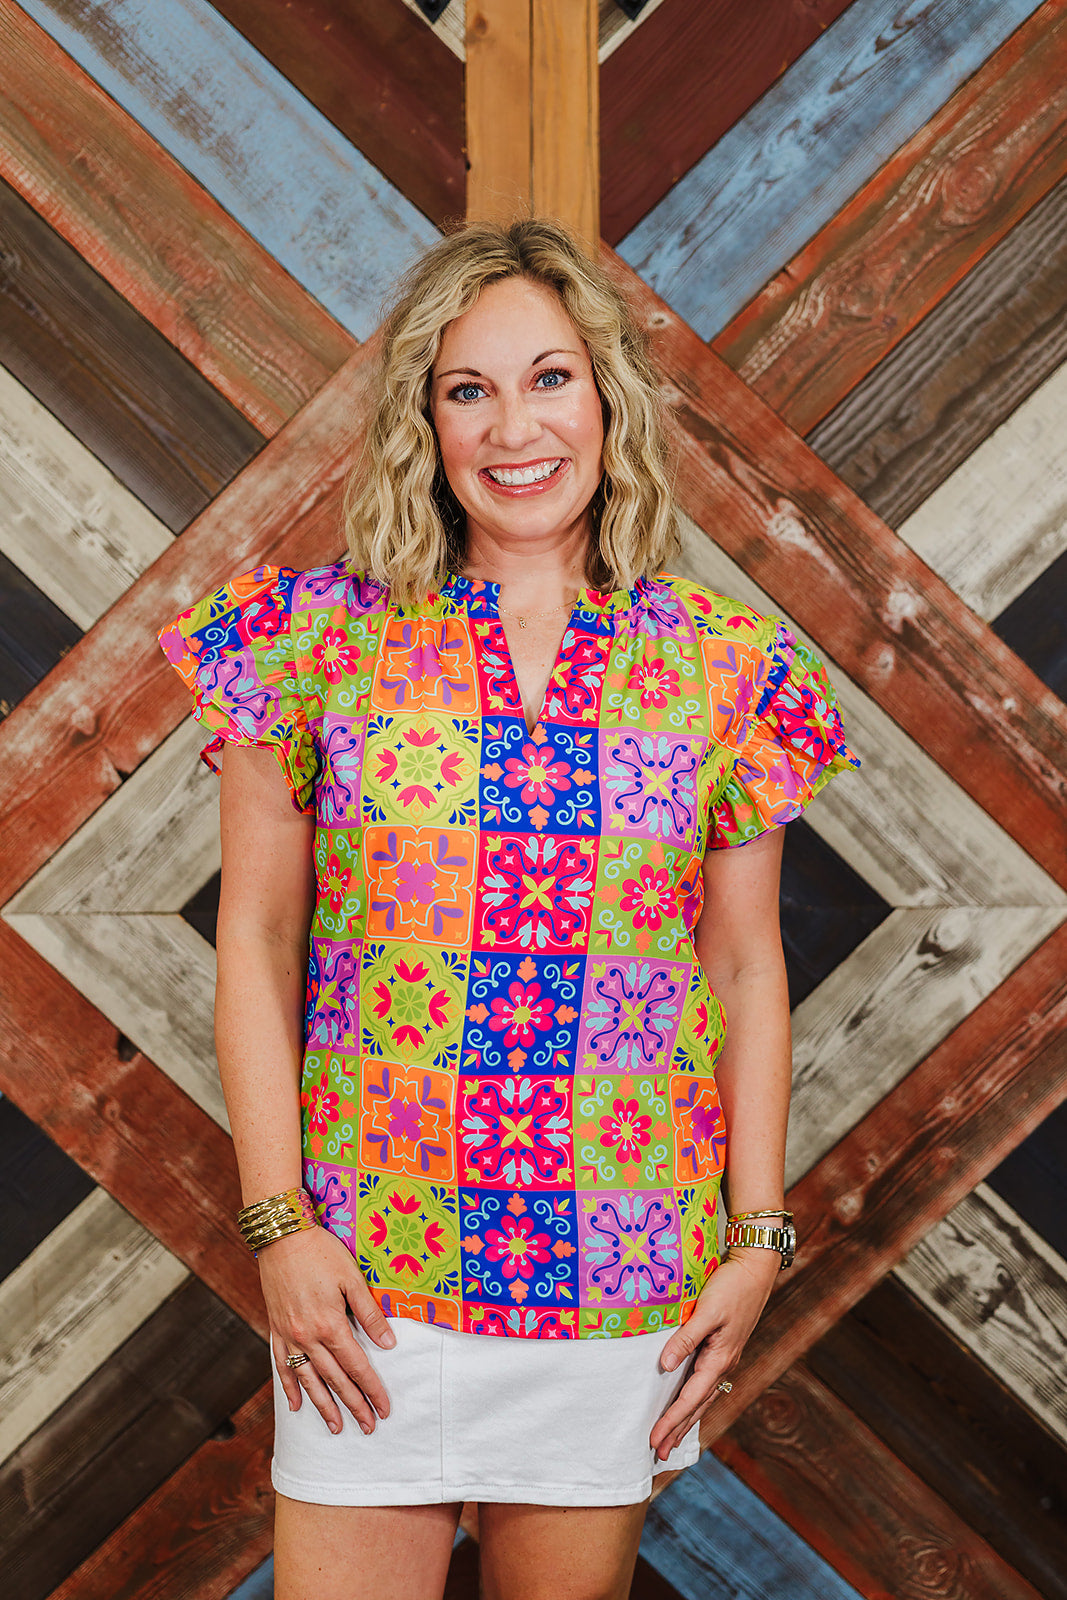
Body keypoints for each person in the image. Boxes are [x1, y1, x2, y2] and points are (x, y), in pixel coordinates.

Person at [158, 218, 860, 1600]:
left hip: (618, 1271)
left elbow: (742, 965)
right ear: (424, 422)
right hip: (365, 1280)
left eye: (549, 379)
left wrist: (758, 1236)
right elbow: (257, 937)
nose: (513, 427)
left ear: (608, 400)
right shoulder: (314, 642)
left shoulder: (727, 665)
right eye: (467, 389)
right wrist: (278, 1224)